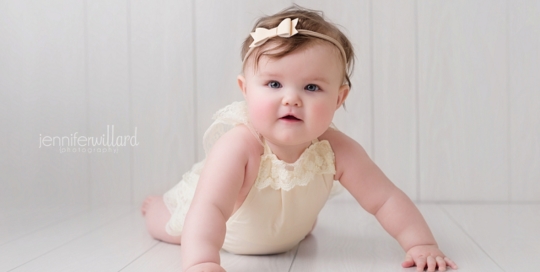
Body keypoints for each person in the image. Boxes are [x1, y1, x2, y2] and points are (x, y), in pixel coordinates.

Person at [141, 5, 458, 272]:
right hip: (227, 233)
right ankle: (156, 207)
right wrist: (202, 262)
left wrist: (420, 243)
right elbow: (208, 208)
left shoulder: (337, 150)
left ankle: (289, 226)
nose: (291, 99)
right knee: (169, 223)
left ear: (338, 98)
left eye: (311, 88)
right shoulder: (240, 146)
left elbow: (385, 199)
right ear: (245, 89)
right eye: (274, 84)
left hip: (284, 233)